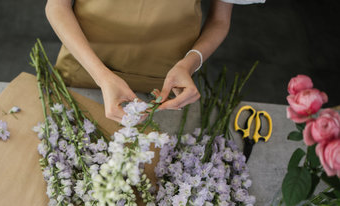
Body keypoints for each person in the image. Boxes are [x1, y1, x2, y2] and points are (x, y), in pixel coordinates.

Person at [46, 0, 265, 122]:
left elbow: (219, 20)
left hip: (167, 79)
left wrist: (189, 63)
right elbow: (57, 6)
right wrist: (101, 75)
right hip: (84, 65)